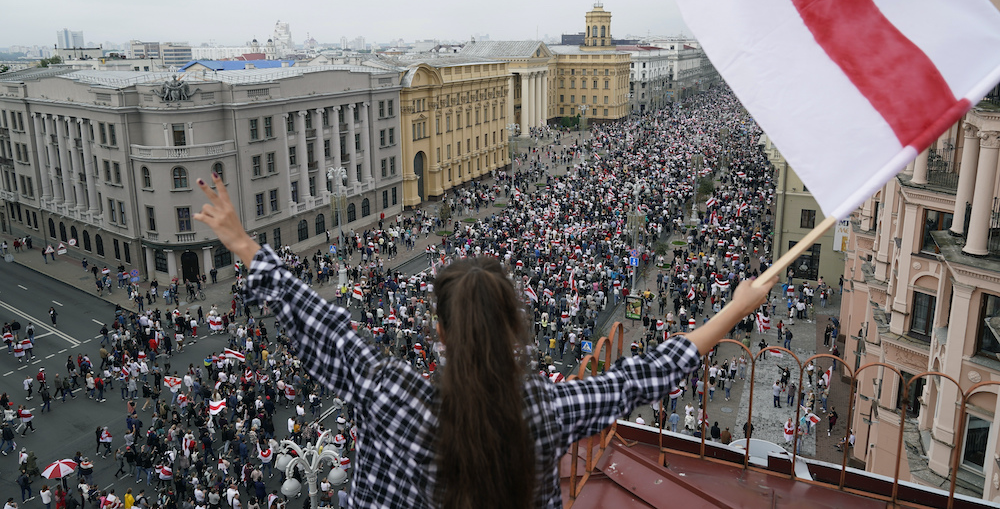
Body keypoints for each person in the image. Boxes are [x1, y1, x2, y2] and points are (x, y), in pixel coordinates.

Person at [193, 171, 776, 508]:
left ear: (440, 330)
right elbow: (645, 375)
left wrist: (244, 244)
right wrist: (734, 308)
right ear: (513, 328)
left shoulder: (387, 391)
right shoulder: (545, 409)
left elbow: (317, 321)